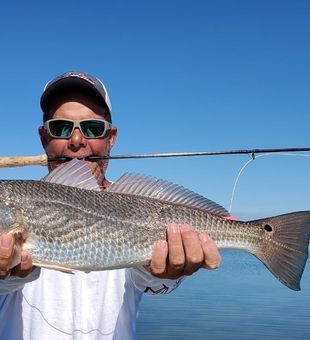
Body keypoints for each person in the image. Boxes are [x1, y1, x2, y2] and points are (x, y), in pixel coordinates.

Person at [0, 71, 221, 339]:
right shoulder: (22, 201)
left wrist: (166, 274)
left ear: (111, 137)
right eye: (60, 128)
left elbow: (150, 282)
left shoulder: (139, 203)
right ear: (43, 136)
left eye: (92, 128)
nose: (77, 141)